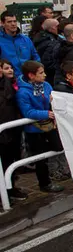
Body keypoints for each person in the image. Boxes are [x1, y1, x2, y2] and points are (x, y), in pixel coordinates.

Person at [15, 61, 65, 193]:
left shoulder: (46, 85)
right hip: (34, 129)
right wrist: (46, 113)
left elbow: (53, 98)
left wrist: (53, 106)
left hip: (49, 125)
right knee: (40, 158)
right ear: (31, 75)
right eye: (41, 73)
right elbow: (27, 111)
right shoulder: (23, 93)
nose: (44, 75)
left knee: (58, 146)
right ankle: (45, 183)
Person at [0, 59, 26, 201]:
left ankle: (11, 188)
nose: (10, 70)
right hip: (2, 129)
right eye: (6, 68)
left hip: (12, 128)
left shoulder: (12, 84)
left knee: (12, 161)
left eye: (11, 67)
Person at [0, 11, 40, 77]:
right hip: (9, 80)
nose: (13, 24)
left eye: (15, 21)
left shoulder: (25, 39)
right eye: (9, 22)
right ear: (2, 23)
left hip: (28, 77)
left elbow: (35, 57)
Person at [33, 18, 62, 85]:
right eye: (57, 26)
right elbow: (48, 61)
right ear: (51, 28)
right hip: (50, 76)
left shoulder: (40, 38)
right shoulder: (51, 43)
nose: (59, 28)